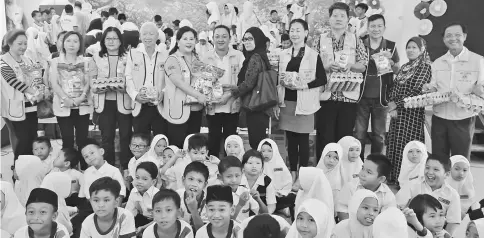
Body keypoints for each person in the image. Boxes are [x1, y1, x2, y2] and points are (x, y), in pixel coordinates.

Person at [315, 2, 368, 159]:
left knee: (344, 139)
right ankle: (323, 175)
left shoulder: (356, 39)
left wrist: (351, 66)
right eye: (335, 15)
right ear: (330, 19)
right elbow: (312, 66)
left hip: (348, 97)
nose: (338, 19)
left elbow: (363, 65)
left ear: (347, 19)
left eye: (342, 16)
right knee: (324, 138)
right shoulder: (320, 39)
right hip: (326, 97)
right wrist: (326, 67)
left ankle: (342, 177)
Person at [423, 23, 484, 160]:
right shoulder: (438, 63)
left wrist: (479, 91)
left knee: (460, 161)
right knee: (438, 159)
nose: (453, 38)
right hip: (439, 118)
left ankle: (459, 183)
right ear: (444, 39)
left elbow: (482, 89)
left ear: (465, 37)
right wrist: (429, 89)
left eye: (457, 35)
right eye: (448, 35)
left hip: (463, 118)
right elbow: (434, 87)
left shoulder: (477, 60)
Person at [277, 19, 326, 179]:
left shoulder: (313, 55)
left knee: (303, 140)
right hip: (287, 102)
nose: (294, 34)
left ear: (305, 33)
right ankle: (292, 173)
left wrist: (303, 85)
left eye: (298, 30)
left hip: (305, 102)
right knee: (291, 140)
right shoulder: (283, 54)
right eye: (292, 30)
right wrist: (278, 100)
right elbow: (279, 79)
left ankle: (303, 174)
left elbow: (322, 79)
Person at [387, 37, 431, 183]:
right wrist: (392, 104)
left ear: (421, 50)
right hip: (398, 114)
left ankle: (408, 180)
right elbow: (394, 87)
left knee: (410, 146)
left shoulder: (424, 67)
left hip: (412, 114)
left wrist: (396, 104)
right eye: (408, 47)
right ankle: (394, 177)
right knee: (395, 143)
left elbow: (418, 90)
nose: (410, 50)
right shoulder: (405, 67)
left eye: (414, 47)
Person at [355, 14, 400, 157]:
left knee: (379, 135)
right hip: (360, 96)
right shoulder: (360, 43)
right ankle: (358, 165)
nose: (376, 29)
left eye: (379, 26)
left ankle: (376, 165)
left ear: (384, 28)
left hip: (382, 98)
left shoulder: (391, 46)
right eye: (373, 26)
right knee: (359, 134)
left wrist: (391, 63)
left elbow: (398, 70)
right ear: (367, 28)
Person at [90, 26, 133, 167]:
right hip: (105, 103)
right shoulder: (96, 57)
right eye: (108, 38)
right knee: (107, 137)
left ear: (120, 41)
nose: (111, 41)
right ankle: (108, 167)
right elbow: (92, 80)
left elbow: (133, 78)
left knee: (125, 136)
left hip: (124, 101)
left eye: (115, 38)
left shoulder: (129, 56)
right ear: (103, 41)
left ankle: (127, 167)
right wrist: (98, 87)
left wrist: (124, 87)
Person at [201, 25, 245, 157]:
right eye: (217, 36)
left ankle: (229, 169)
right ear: (212, 38)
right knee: (213, 138)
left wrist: (231, 92)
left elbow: (244, 81)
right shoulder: (206, 57)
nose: (221, 39)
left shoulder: (238, 56)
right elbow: (202, 81)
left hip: (232, 105)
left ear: (230, 38)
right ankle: (213, 169)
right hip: (213, 106)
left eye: (224, 36)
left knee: (230, 139)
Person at [50, 31, 91, 169]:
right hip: (63, 107)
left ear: (80, 45)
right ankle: (69, 170)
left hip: (82, 106)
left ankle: (85, 169)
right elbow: (54, 83)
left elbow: (88, 82)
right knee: (67, 140)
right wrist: (65, 98)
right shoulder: (55, 61)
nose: (71, 44)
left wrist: (82, 96)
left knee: (82, 140)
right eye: (68, 41)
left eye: (75, 41)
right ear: (63, 43)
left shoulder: (86, 62)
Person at [1, 29, 42, 161]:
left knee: (33, 138)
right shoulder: (3, 61)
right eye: (20, 44)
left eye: (25, 43)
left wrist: (40, 89)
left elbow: (36, 77)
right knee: (22, 140)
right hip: (14, 107)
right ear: (10, 43)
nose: (23, 47)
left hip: (31, 105)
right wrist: (34, 91)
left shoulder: (27, 59)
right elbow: (13, 81)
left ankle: (31, 167)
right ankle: (19, 171)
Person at [226, 27, 271, 149]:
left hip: (255, 105)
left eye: (250, 39)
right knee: (259, 141)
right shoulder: (259, 55)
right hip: (259, 105)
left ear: (258, 39)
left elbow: (249, 83)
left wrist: (231, 95)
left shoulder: (255, 57)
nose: (247, 42)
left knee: (256, 143)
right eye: (245, 39)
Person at [163, 26, 206, 147]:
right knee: (177, 147)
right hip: (178, 111)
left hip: (195, 110)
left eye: (192, 39)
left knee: (193, 147)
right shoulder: (172, 59)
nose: (189, 42)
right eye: (185, 38)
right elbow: (179, 83)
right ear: (177, 42)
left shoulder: (198, 59)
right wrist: (199, 95)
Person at [396, 155, 461, 235]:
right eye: (427, 167)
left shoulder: (452, 194)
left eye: (436, 169)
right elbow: (396, 208)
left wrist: (444, 235)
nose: (430, 172)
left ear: (446, 174)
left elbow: (453, 222)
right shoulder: (412, 185)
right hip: (410, 231)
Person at [126, 22, 168, 136]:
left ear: (157, 36)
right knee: (140, 140)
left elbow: (169, 79)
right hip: (140, 105)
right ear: (140, 36)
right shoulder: (132, 54)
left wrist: (163, 93)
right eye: (144, 34)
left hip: (159, 105)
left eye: (151, 34)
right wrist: (135, 95)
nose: (148, 37)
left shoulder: (165, 54)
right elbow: (128, 77)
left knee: (160, 139)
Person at [337, 154, 396, 221]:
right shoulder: (351, 187)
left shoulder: (387, 195)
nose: (362, 173)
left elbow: (387, 218)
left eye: (369, 172)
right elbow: (342, 209)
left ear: (381, 179)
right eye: (362, 168)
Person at [257, 139, 295, 212]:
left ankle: (278, 208)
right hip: (264, 196)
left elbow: (288, 182)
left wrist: (282, 192)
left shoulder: (280, 164)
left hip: (278, 195)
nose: (266, 154)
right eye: (263, 151)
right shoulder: (257, 165)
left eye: (269, 151)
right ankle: (281, 209)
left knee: (292, 197)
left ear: (275, 151)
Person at [218, 156, 260, 222]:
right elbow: (226, 222)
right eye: (229, 176)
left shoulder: (244, 191)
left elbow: (263, 213)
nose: (234, 180)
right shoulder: (217, 195)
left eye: (237, 176)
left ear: (242, 174)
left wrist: (258, 200)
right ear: (220, 177)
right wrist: (240, 205)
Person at [126, 162, 160, 233]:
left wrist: (143, 228)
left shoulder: (157, 195)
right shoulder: (133, 191)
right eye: (137, 178)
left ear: (153, 182)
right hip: (140, 222)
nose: (139, 182)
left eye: (144, 179)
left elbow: (160, 219)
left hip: (155, 224)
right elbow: (129, 213)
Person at [240, 150, 277, 214]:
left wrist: (266, 215)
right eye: (250, 163)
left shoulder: (267, 181)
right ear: (243, 166)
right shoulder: (238, 179)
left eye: (258, 163)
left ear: (262, 167)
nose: (254, 166)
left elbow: (271, 205)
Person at [176, 161, 210, 231]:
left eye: (199, 181)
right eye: (191, 179)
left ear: (205, 185)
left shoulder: (209, 202)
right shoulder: (176, 196)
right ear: (183, 180)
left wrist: (194, 210)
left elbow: (203, 233)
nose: (194, 184)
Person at [447, 155, 475, 219]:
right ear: (450, 168)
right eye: (457, 169)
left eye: (465, 170)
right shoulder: (442, 183)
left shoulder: (468, 185)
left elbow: (469, 198)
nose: (461, 173)